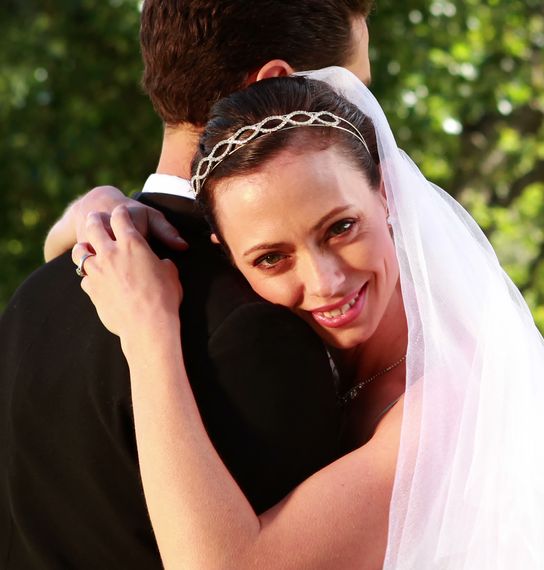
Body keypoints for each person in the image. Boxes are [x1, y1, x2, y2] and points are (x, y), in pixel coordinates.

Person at [75, 68, 544, 568]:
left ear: (386, 194)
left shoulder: (452, 398)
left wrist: (147, 333)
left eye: (341, 228)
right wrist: (103, 209)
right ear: (229, 259)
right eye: (271, 258)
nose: (325, 282)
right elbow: (65, 243)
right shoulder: (312, 350)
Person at [0, 2, 372, 566]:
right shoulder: (259, 334)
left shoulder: (39, 292)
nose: (372, 119)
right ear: (279, 86)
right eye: (356, 92)